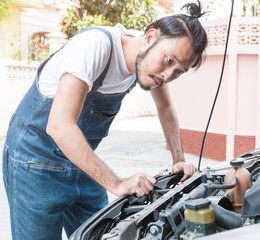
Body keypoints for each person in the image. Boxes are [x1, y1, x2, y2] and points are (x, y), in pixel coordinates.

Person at [2, 1, 208, 239]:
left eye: (179, 71)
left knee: (106, 234)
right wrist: (117, 183)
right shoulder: (96, 46)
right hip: (34, 163)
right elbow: (59, 125)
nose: (167, 75)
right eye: (169, 61)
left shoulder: (148, 66)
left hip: (83, 164)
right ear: (150, 37)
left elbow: (165, 107)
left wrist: (178, 159)